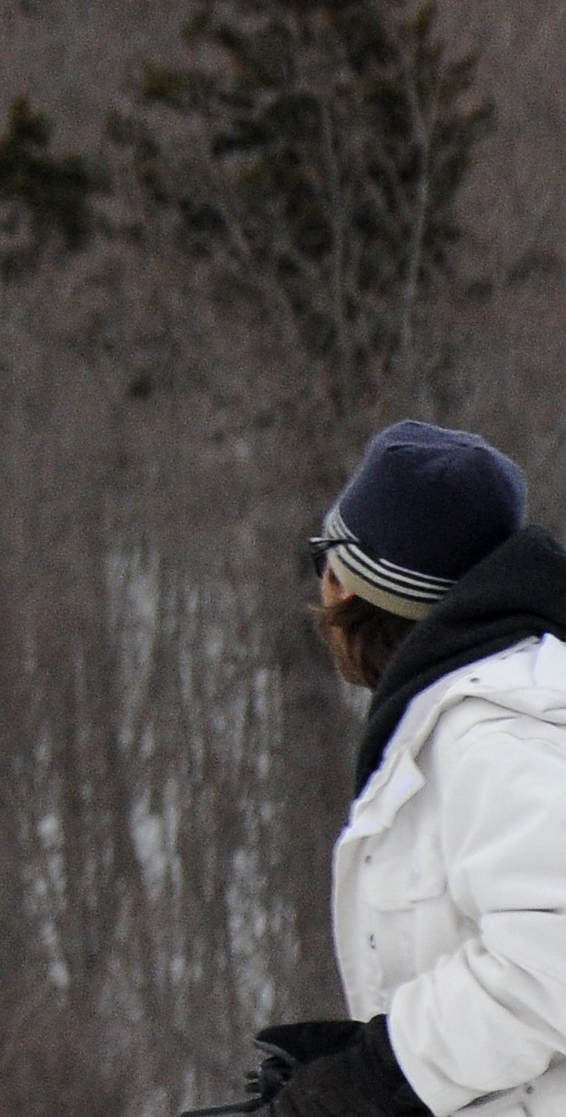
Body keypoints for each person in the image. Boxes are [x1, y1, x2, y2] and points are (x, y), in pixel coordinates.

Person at [214, 418, 566, 1117]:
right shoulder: (464, 720)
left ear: (346, 585)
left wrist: (381, 1074)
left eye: (325, 556)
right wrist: (351, 1062)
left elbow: (550, 960)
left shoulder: (494, 737)